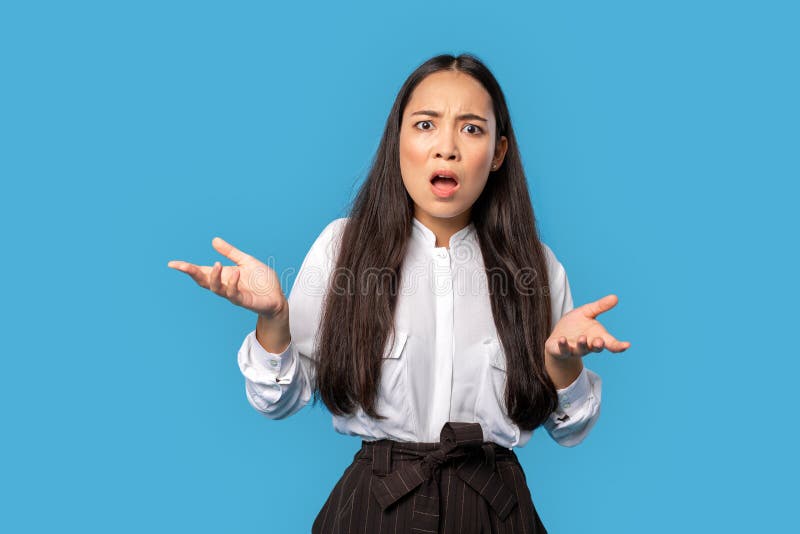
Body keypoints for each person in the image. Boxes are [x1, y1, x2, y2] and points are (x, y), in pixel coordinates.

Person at [168, 53, 630, 533]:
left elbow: (571, 429)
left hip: (496, 512)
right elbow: (278, 401)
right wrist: (274, 321)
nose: (446, 148)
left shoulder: (536, 267)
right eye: (426, 124)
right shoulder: (343, 249)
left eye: (471, 129)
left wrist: (562, 362)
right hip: (375, 510)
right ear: (398, 141)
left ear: (498, 153)